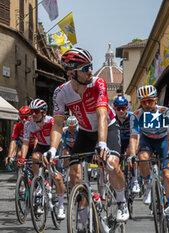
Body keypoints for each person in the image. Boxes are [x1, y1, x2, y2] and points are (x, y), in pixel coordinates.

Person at [47, 48, 129, 229]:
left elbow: (101, 115)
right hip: (84, 132)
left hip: (107, 127)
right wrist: (52, 150)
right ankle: (83, 224)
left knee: (112, 164)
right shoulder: (61, 93)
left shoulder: (98, 84)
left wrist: (101, 144)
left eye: (90, 66)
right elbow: (58, 124)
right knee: (74, 174)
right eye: (85, 69)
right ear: (71, 73)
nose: (90, 71)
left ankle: (121, 201)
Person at [129, 85, 169, 232]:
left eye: (149, 101)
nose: (146, 105)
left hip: (164, 140)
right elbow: (133, 137)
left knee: (167, 175)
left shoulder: (166, 112)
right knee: (142, 158)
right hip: (147, 140)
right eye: (143, 102)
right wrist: (132, 155)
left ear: (156, 100)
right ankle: (147, 185)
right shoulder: (136, 115)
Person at [21, 99, 66, 219]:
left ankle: (61, 206)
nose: (33, 114)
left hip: (55, 146)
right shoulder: (28, 124)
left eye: (36, 111)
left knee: (57, 177)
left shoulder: (51, 121)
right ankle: (40, 184)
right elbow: (25, 142)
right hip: (41, 145)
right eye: (31, 112)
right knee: (34, 158)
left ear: (44, 112)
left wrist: (52, 151)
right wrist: (22, 158)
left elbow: (58, 134)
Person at [113, 95, 140, 193]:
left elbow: (138, 134)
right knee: (116, 164)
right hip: (119, 142)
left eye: (123, 108)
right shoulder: (113, 119)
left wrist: (136, 148)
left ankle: (135, 180)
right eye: (118, 108)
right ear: (115, 109)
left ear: (127, 108)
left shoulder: (133, 117)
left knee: (131, 154)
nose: (121, 111)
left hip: (131, 140)